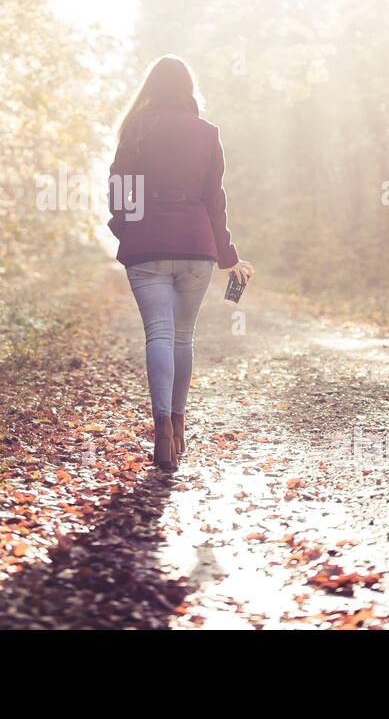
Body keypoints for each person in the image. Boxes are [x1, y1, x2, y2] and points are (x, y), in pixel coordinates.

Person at [106, 55, 254, 472]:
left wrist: (125, 229)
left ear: (150, 87)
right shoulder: (207, 133)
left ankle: (162, 433)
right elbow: (214, 200)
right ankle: (179, 424)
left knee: (159, 335)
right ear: (189, 87)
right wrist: (228, 255)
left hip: (147, 245)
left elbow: (120, 188)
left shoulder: (137, 128)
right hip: (196, 245)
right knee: (182, 338)